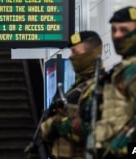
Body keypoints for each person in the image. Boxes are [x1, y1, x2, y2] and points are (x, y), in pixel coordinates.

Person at [40, 31, 104, 159]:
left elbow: (94, 130)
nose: (70, 57)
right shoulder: (77, 87)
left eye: (75, 52)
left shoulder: (101, 86)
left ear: (90, 54)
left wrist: (56, 124)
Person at [95, 6, 136, 159]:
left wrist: (120, 149)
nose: (117, 36)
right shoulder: (125, 68)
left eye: (124, 30)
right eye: (114, 30)